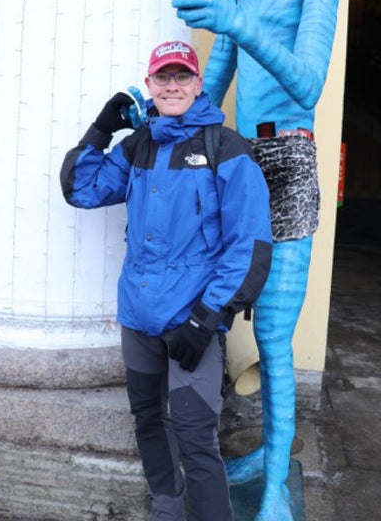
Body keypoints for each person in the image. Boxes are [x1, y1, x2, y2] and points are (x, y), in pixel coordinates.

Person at [60, 40, 273, 521]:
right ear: (150, 86)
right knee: (149, 421)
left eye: (182, 77)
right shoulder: (139, 145)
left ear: (198, 85)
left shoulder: (227, 149)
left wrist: (207, 318)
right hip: (138, 316)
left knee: (197, 437)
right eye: (163, 77)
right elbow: (82, 188)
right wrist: (100, 128)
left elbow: (251, 244)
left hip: (191, 319)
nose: (173, 85)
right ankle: (167, 508)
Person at [170, 0, 339, 520]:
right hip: (240, 163)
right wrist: (165, 104)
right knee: (215, 304)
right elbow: (214, 87)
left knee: (272, 336)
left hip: (289, 156)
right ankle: (264, 457)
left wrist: (236, 23)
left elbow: (309, 83)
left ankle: (272, 491)